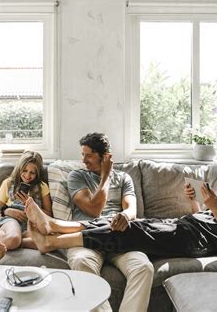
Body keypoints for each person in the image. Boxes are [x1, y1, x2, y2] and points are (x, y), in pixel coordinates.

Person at [25, 163, 217, 263]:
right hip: (187, 225)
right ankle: (55, 226)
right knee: (119, 221)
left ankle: (52, 240)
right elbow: (211, 219)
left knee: (126, 229)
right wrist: (196, 205)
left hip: (194, 241)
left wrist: (214, 208)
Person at [53, 133, 154, 312]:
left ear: (105, 156)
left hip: (118, 237)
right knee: (80, 261)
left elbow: (131, 209)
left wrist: (124, 215)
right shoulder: (77, 176)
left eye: (89, 155)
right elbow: (93, 209)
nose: (83, 160)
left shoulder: (124, 178)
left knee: (144, 267)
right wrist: (105, 176)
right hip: (87, 239)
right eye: (82, 154)